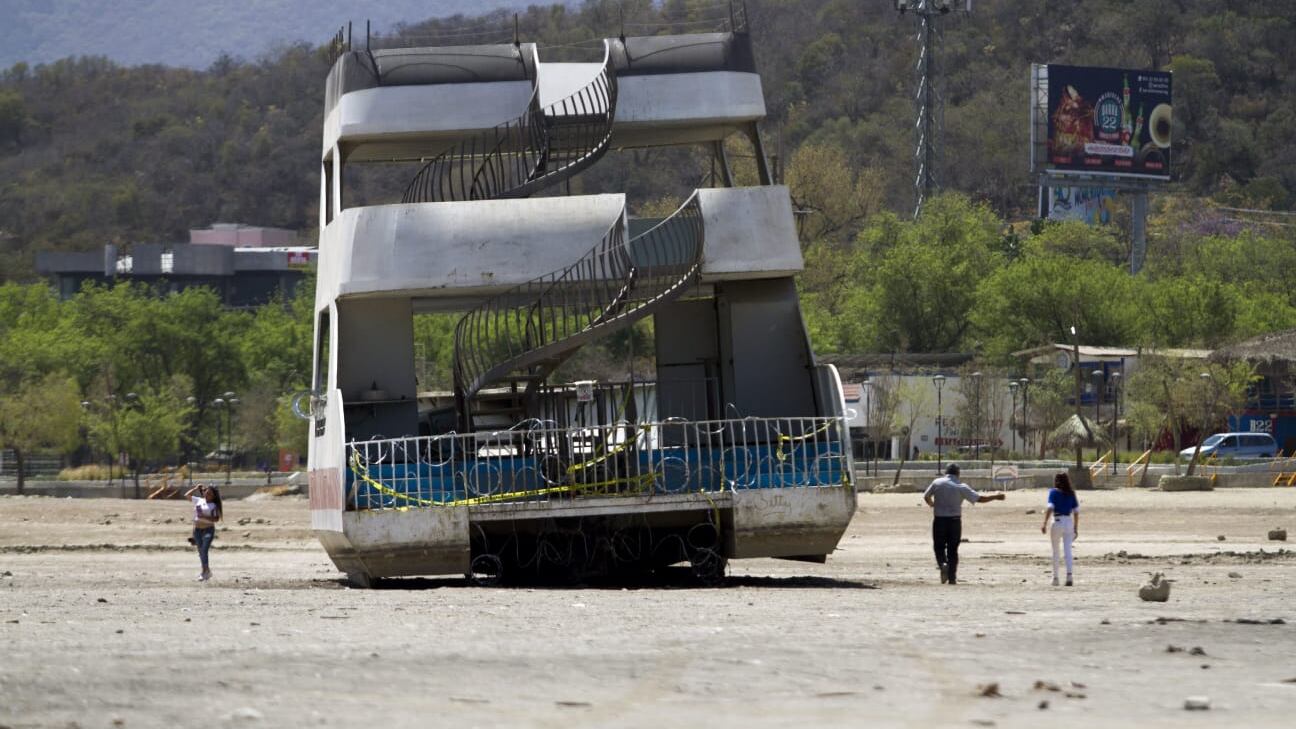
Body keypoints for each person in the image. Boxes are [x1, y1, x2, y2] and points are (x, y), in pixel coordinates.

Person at [922, 463, 1006, 585]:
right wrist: (996, 497)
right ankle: (952, 578)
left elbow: (926, 496)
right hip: (955, 521)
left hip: (939, 520)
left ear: (946, 472)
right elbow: (979, 499)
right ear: (958, 473)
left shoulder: (937, 483)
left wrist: (931, 504)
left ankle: (942, 564)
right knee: (953, 550)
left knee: (939, 547)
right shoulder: (961, 486)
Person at [1041, 472, 1080, 586]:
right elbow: (1076, 512)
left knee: (1056, 551)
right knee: (1068, 550)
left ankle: (1055, 578)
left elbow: (1050, 507)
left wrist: (1044, 523)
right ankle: (1069, 576)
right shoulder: (1071, 493)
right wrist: (1076, 528)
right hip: (1068, 521)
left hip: (1057, 521)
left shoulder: (1053, 492)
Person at [184, 483, 223, 581]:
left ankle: (204, 572)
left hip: (208, 529)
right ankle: (206, 571)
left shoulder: (214, 505)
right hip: (197, 530)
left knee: (204, 550)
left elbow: (216, 519)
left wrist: (204, 516)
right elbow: (186, 496)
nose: (207, 495)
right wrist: (195, 488)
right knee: (201, 551)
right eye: (207, 492)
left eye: (210, 494)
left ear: (214, 496)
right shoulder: (199, 500)